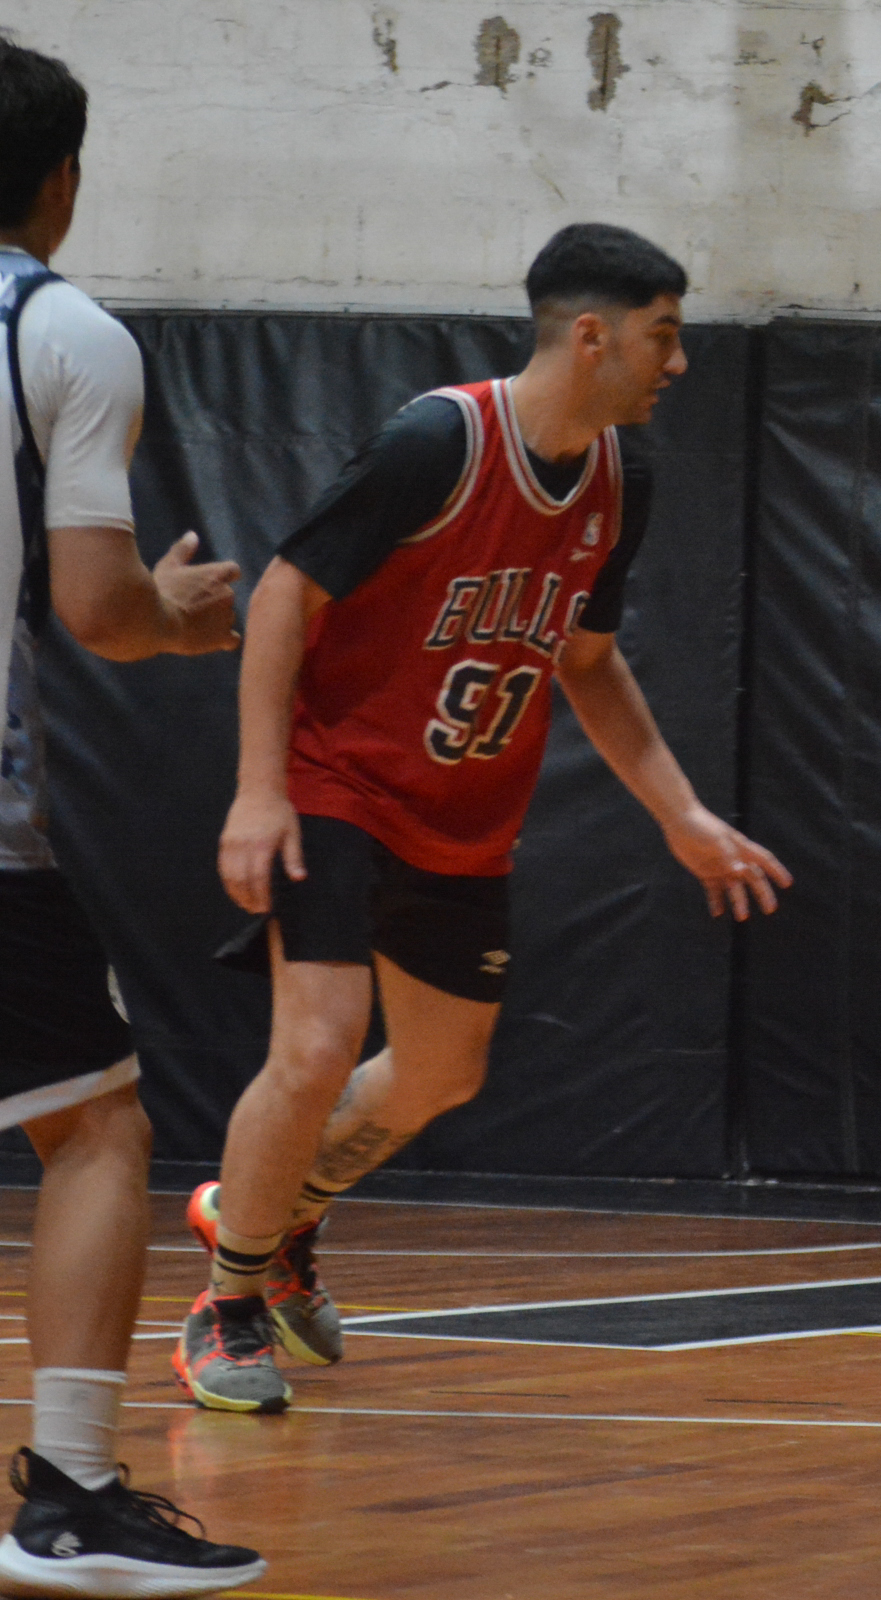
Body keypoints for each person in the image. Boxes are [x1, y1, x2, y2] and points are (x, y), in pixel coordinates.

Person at [174, 222, 792, 1414]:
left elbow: (588, 662)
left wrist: (681, 812)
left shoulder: (620, 478)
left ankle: (272, 1216)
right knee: (317, 1044)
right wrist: (259, 786)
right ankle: (228, 1303)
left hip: (463, 813)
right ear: (592, 335)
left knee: (439, 1076)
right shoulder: (439, 440)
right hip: (337, 782)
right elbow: (286, 595)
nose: (677, 363)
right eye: (664, 336)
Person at [0, 37, 268, 1594]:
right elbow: (100, 608)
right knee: (97, 1127)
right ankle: (73, 1497)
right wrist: (178, 618)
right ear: (63, 179)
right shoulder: (61, 331)